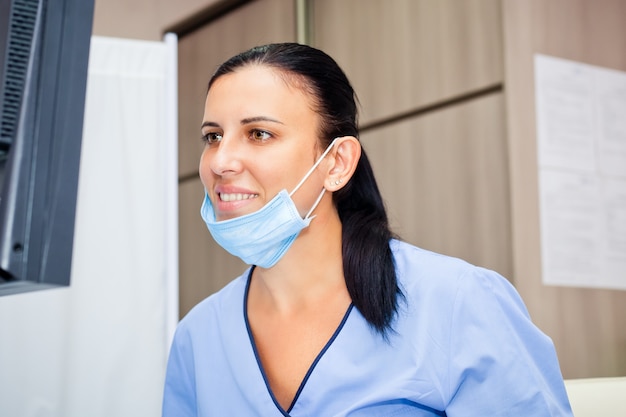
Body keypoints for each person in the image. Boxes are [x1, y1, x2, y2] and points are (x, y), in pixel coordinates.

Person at [162, 42, 573, 416]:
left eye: (259, 133)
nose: (220, 162)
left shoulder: (458, 302)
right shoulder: (197, 338)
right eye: (213, 136)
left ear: (336, 163)